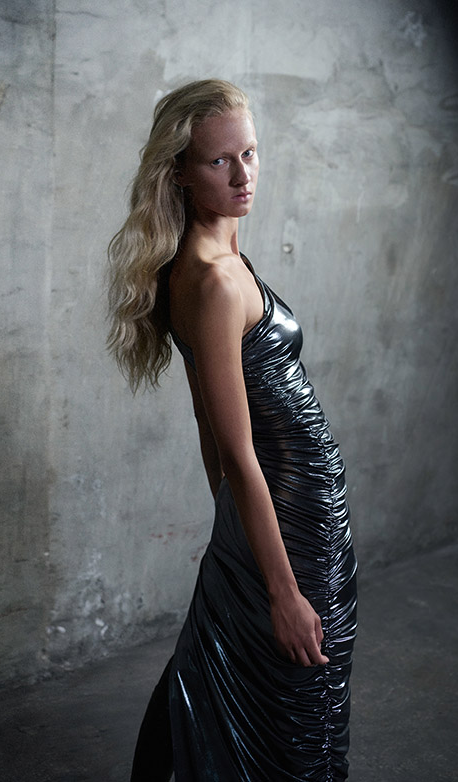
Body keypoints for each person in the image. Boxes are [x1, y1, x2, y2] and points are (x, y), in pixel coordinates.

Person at [107, 79, 357, 781]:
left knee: (227, 667)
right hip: (290, 524)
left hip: (284, 515)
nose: (243, 175)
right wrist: (279, 588)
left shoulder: (217, 260)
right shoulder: (214, 281)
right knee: (299, 698)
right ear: (180, 174)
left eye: (249, 153)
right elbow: (237, 450)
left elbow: (208, 424)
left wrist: (231, 532)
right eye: (219, 161)